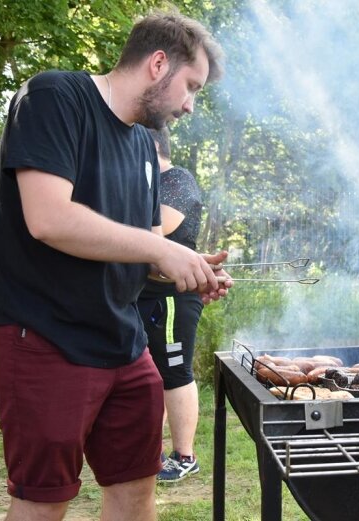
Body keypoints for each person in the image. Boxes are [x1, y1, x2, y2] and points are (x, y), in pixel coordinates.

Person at [0, 10, 231, 521]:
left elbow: (125, 251)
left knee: (137, 491)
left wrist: (182, 268)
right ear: (158, 63)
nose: (190, 104)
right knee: (43, 504)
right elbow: (49, 219)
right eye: (191, 86)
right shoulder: (53, 98)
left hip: (123, 343)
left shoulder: (141, 146)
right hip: (41, 335)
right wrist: (162, 249)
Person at [137, 126, 206, 482]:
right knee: (149, 373)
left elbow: (156, 234)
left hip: (173, 298)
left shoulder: (177, 180)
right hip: (142, 296)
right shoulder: (145, 183)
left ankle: (184, 456)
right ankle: (153, 452)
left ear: (149, 144)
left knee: (173, 372)